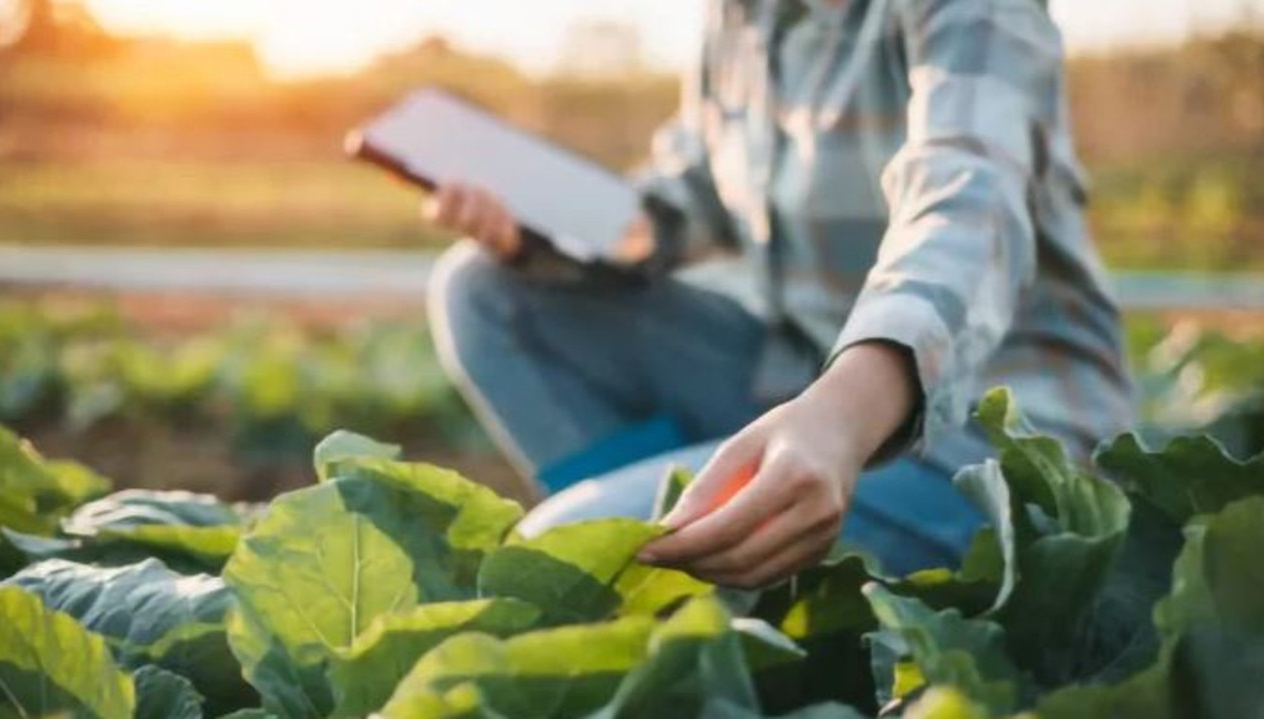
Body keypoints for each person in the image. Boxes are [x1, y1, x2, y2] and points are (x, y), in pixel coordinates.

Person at [423, 0, 1135, 587]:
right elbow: (683, 201)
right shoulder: (741, 18)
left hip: (987, 440)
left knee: (570, 546)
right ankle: (701, 564)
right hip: (799, 387)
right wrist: (540, 225)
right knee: (486, 291)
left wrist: (842, 416)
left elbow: (967, 204)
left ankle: (689, 576)